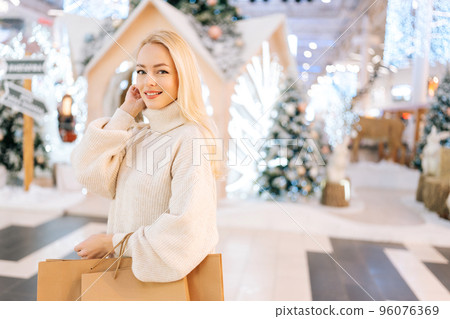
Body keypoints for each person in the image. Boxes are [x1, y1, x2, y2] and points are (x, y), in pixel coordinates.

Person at [71, 30, 222, 282]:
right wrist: (126, 112)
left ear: (182, 77)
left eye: (161, 71)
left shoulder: (190, 138)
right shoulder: (141, 134)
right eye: (141, 71)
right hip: (126, 283)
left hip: (161, 291)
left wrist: (113, 244)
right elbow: (88, 172)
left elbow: (187, 230)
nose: (148, 81)